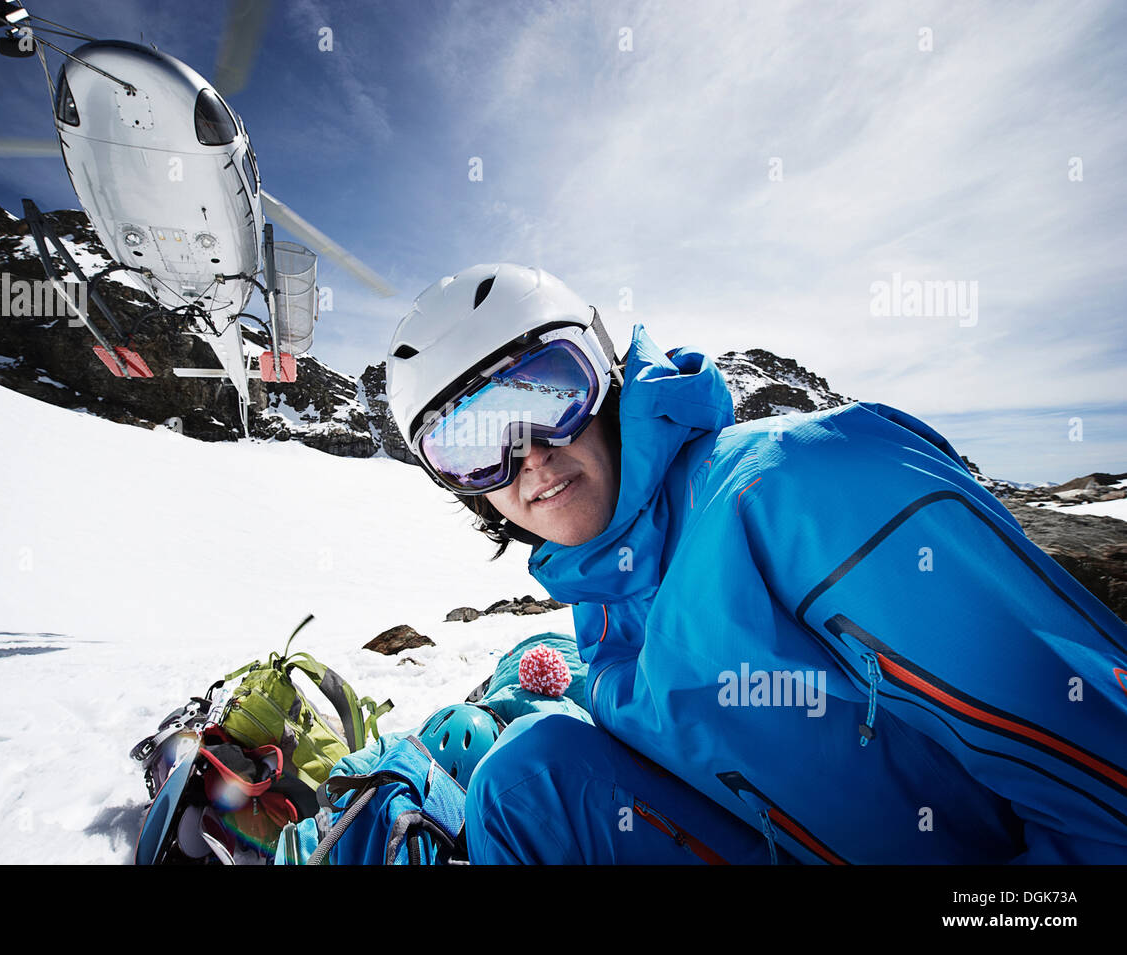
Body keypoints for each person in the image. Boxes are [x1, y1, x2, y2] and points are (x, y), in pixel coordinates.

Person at [385, 263, 1127, 864]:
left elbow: (1109, 801)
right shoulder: (606, 600)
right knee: (523, 780)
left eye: (548, 390)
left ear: (604, 375)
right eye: (473, 444)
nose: (530, 454)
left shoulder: (805, 486)